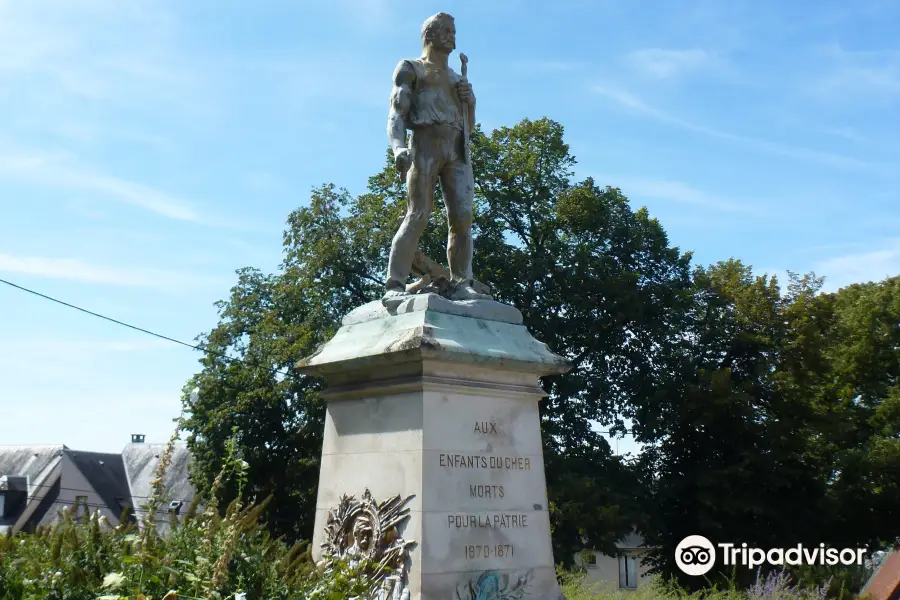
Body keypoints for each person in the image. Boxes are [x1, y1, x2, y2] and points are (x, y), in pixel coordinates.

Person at [383, 12, 490, 305]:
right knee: (417, 214)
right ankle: (395, 282)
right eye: (444, 30)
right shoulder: (411, 68)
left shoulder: (458, 79)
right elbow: (396, 112)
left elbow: (470, 125)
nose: (451, 35)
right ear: (429, 34)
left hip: (457, 150)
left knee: (462, 219)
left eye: (453, 30)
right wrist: (397, 147)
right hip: (424, 145)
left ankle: (461, 282)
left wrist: (470, 102)